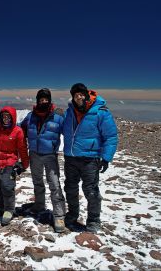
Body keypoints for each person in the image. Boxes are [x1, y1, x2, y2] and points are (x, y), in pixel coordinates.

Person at [62, 83, 118, 233]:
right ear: (72, 97)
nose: (79, 97)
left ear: (86, 95)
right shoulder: (69, 113)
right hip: (71, 157)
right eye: (75, 95)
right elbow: (61, 130)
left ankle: (93, 220)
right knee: (70, 188)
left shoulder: (100, 112)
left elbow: (111, 136)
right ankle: (72, 214)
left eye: (81, 94)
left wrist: (106, 157)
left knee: (91, 190)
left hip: (90, 159)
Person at [21, 88, 66, 233]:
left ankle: (59, 215)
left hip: (50, 155)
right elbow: (19, 130)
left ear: (50, 100)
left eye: (46, 99)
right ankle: (39, 205)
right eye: (41, 100)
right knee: (37, 181)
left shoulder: (58, 118)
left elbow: (71, 132)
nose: (44, 102)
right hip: (34, 154)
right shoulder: (30, 116)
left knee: (54, 184)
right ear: (37, 101)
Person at [0, 106, 29, 225]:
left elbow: (22, 148)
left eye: (8, 117)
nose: (6, 119)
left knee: (7, 186)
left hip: (10, 162)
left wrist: (24, 164)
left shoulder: (17, 131)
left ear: (12, 117)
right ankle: (1, 205)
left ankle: (9, 209)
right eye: (4, 116)